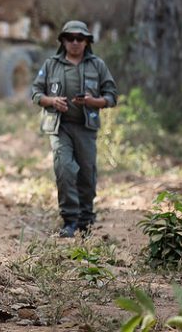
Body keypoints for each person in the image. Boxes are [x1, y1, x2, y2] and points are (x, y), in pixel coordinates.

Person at [31, 20, 117, 238]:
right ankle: (70, 220)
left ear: (87, 42)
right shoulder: (51, 64)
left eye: (80, 38)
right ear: (63, 41)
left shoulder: (97, 65)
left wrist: (92, 101)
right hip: (60, 127)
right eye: (70, 38)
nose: (75, 42)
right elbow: (35, 93)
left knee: (87, 174)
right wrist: (51, 101)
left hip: (86, 128)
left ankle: (86, 220)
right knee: (65, 170)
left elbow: (111, 96)